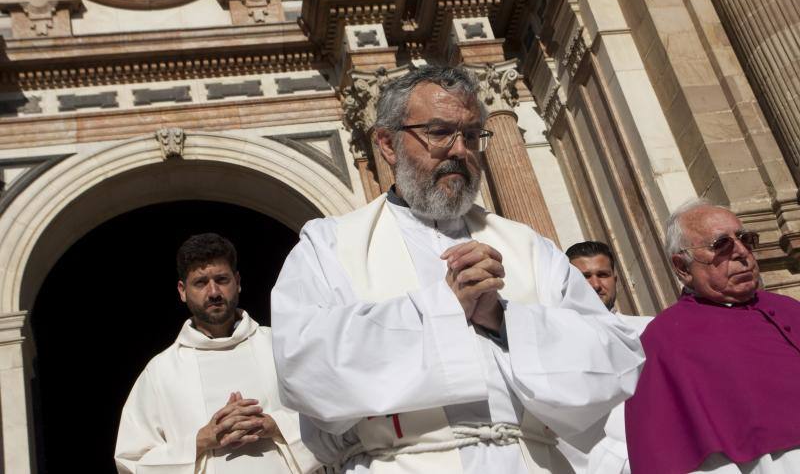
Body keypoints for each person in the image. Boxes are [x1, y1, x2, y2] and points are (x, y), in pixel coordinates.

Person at [270, 65, 645, 473]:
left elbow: (613, 359)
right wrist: (444, 307)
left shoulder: (528, 247)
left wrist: (502, 319)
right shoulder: (330, 245)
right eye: (438, 132)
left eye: (470, 135)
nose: (459, 150)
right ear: (387, 144)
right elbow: (304, 367)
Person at [115, 233, 320, 474]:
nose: (213, 292)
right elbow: (131, 461)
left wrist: (274, 425)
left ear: (238, 281)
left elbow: (336, 417)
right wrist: (202, 440)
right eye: (201, 283)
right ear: (182, 291)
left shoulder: (280, 344)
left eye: (221, 279)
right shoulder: (161, 371)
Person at [626, 200, 800, 473]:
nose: (742, 252)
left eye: (745, 239)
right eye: (721, 245)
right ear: (682, 267)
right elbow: (666, 453)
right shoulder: (665, 339)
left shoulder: (789, 308)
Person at [565, 241, 652, 474]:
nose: (595, 284)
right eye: (585, 277)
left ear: (616, 279)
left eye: (602, 275)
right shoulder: (554, 343)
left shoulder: (652, 330)